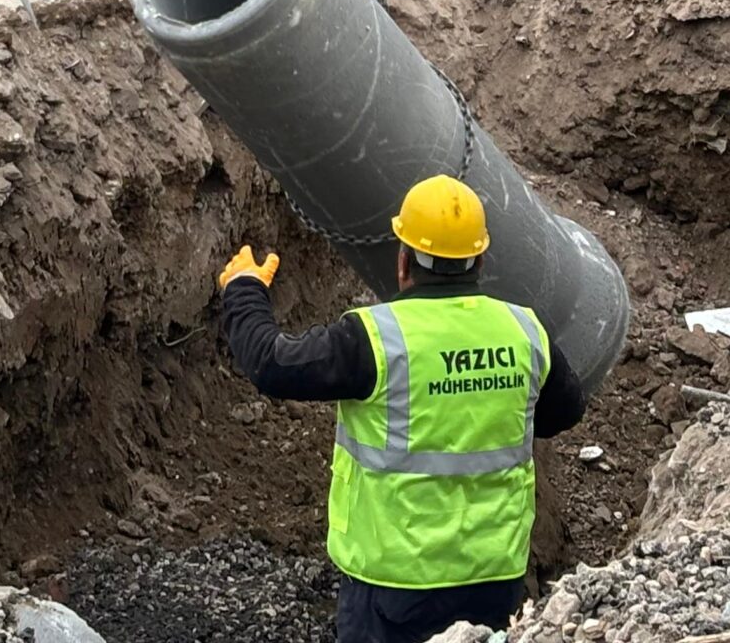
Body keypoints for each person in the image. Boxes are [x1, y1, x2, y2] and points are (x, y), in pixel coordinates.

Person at [218, 176, 589, 643]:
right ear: (479, 259)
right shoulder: (523, 330)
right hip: (494, 579)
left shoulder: (375, 340)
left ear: (403, 260)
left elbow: (272, 363)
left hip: (394, 587)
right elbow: (564, 411)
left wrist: (243, 289)